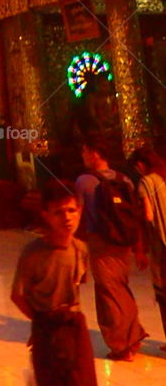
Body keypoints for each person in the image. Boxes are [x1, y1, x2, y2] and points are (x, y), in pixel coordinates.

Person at [12, 180, 100, 386]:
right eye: (59, 212)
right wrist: (40, 323)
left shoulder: (80, 249)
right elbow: (18, 295)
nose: (67, 218)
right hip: (47, 331)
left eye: (72, 210)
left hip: (74, 331)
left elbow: (78, 287)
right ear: (45, 215)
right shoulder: (32, 254)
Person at [75, 136, 147, 360]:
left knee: (108, 291)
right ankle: (132, 336)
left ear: (95, 153)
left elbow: (78, 216)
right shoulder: (124, 179)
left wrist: (75, 249)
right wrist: (138, 248)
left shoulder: (84, 181)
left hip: (100, 241)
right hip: (122, 242)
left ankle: (122, 345)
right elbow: (134, 216)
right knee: (120, 287)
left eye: (85, 151)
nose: (83, 156)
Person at [130, 145, 166, 347]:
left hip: (161, 246)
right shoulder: (163, 178)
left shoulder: (145, 182)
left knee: (163, 294)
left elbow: (148, 214)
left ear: (140, 165)